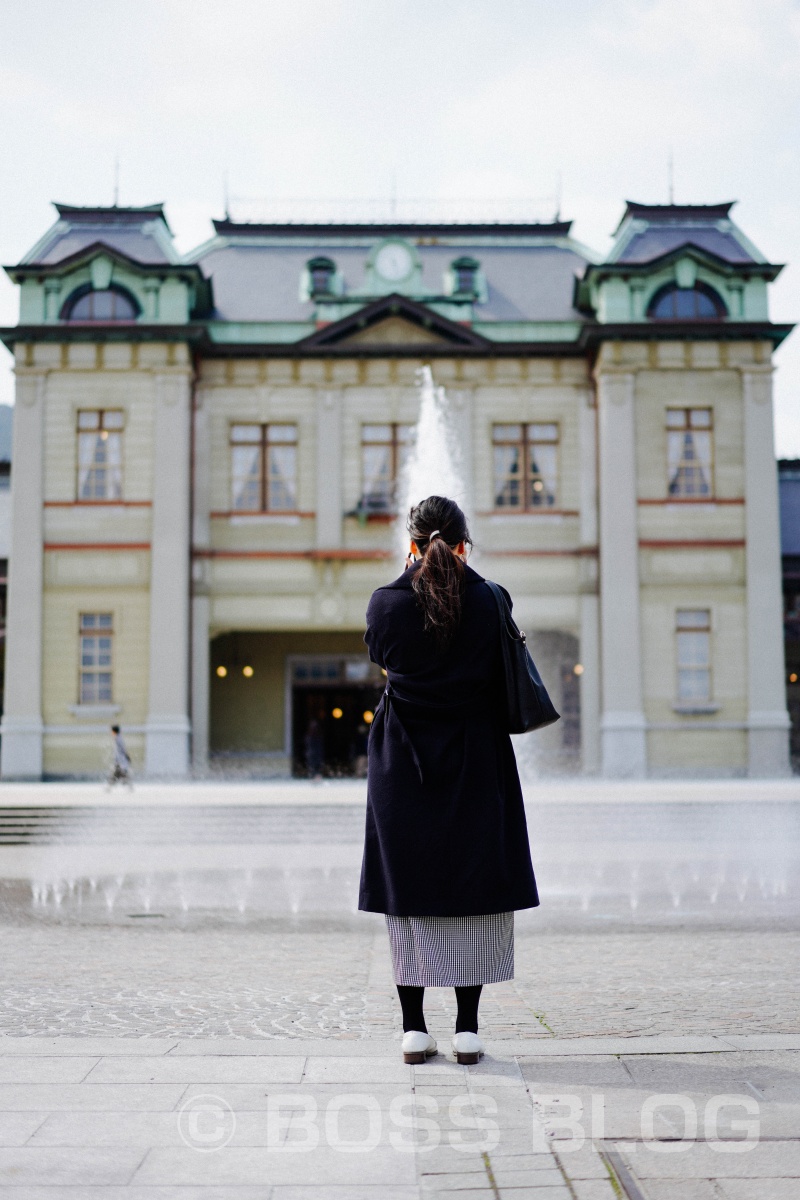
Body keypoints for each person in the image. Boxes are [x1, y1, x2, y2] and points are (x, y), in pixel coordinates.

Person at [359, 495, 539, 1065]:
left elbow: (382, 657)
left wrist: (418, 566)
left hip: (402, 761)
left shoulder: (385, 604)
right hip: (476, 757)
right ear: (464, 544)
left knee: (407, 892)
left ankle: (414, 1030)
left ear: (411, 546)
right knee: (474, 888)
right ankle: (467, 1031)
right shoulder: (490, 599)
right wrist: (464, 565)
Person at [107, 725, 133, 790]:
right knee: (118, 774)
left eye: (112, 731)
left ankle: (110, 786)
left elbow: (122, 749)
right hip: (119, 760)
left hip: (120, 760)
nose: (111, 732)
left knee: (118, 773)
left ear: (114, 731)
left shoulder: (118, 739)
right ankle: (128, 785)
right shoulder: (117, 738)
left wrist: (127, 756)